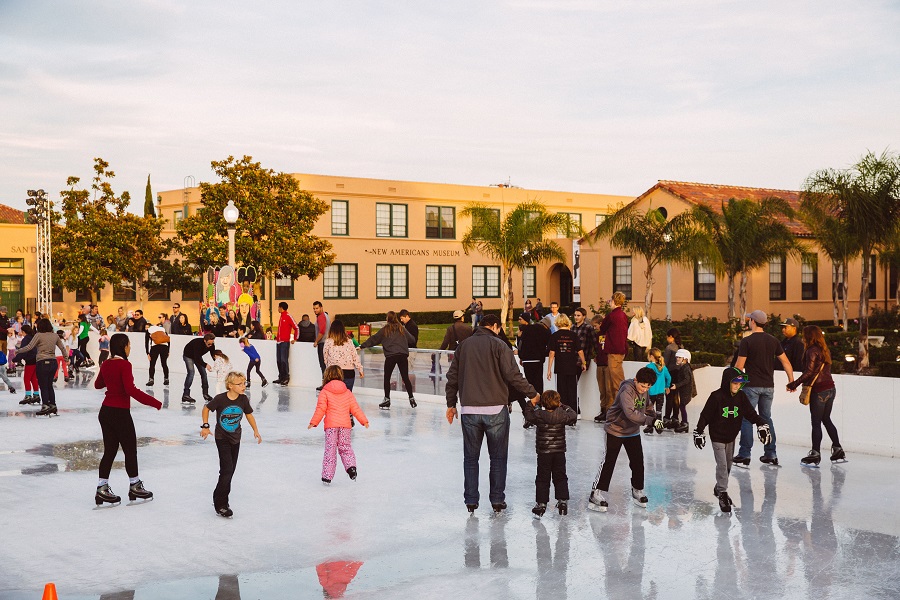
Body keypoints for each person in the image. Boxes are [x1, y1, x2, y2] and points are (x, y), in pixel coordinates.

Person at [446, 314, 539, 514]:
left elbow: (452, 377)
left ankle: (471, 500)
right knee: (497, 458)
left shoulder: (464, 346)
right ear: (495, 326)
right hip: (496, 410)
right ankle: (497, 500)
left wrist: (451, 404)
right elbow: (513, 375)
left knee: (471, 458)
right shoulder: (499, 345)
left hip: (469, 410)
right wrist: (533, 394)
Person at [93, 333, 162, 507]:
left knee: (110, 451)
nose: (130, 348)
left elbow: (98, 384)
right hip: (120, 413)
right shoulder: (125, 364)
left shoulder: (106, 363)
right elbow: (131, 390)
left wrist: (111, 378)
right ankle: (135, 486)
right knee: (130, 450)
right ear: (123, 347)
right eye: (129, 345)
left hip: (105, 412)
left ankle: (102, 488)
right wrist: (155, 402)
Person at [693, 367, 771, 513]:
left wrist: (761, 423)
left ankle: (718, 488)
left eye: (739, 384)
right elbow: (705, 415)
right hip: (717, 437)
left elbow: (750, 413)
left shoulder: (741, 397)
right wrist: (699, 430)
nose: (737, 386)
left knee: (728, 466)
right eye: (734, 383)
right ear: (727, 382)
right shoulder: (716, 396)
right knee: (722, 465)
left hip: (731, 437)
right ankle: (722, 493)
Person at [587, 367, 662, 513]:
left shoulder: (644, 391)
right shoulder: (626, 390)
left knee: (638, 461)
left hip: (632, 431)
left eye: (648, 387)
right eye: (642, 386)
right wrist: (650, 421)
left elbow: (648, 406)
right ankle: (595, 493)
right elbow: (630, 413)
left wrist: (655, 419)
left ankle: (637, 490)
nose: (644, 389)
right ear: (636, 380)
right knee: (609, 461)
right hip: (615, 429)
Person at [733, 310, 795, 467]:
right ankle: (771, 454)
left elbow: (739, 367)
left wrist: (734, 384)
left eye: (750, 319)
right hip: (768, 387)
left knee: (747, 419)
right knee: (766, 418)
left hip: (751, 386)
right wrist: (791, 381)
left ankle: (744, 454)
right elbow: (786, 362)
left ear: (753, 322)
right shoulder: (773, 341)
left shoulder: (747, 341)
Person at [201, 371, 262, 518]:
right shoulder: (220, 399)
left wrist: (256, 430)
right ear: (230, 386)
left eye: (244, 383)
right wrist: (205, 426)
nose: (243, 386)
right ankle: (220, 504)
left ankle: (221, 497)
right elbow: (206, 409)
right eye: (239, 384)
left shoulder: (243, 399)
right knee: (227, 470)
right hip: (222, 438)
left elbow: (248, 414)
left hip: (236, 438)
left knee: (230, 470)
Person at [786, 325, 846, 466]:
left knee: (816, 422)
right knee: (826, 419)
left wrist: (793, 384)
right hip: (830, 388)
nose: (802, 337)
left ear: (809, 336)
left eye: (804, 335)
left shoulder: (811, 351)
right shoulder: (824, 350)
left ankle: (815, 453)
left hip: (819, 390)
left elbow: (809, 372)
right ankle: (837, 449)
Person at [308, 366, 370, 484]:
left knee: (330, 450)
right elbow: (355, 408)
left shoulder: (325, 391)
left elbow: (321, 409)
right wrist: (364, 421)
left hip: (331, 426)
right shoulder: (347, 392)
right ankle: (351, 467)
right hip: (345, 426)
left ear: (327, 375)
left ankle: (327, 476)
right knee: (345, 447)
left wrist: (314, 422)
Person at [523, 389, 576, 517]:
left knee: (542, 478)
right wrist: (563, 406)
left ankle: (541, 504)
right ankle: (562, 501)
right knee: (560, 476)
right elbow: (573, 415)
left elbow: (528, 415)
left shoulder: (539, 415)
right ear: (558, 403)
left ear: (543, 403)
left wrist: (531, 403)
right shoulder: (562, 415)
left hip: (544, 453)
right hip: (559, 452)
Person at [360, 311, 417, 409]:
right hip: (402, 355)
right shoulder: (401, 328)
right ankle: (411, 398)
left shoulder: (385, 330)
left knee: (387, 378)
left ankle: (387, 399)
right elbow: (412, 339)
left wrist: (362, 346)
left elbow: (374, 339)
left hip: (391, 356)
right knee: (405, 377)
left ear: (387, 319)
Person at [15, 318, 67, 416]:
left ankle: (45, 405)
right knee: (49, 385)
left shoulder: (38, 335)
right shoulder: (55, 335)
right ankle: (53, 405)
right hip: (53, 362)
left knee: (43, 386)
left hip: (42, 362)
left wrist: (18, 351)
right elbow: (62, 348)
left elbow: (29, 347)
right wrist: (66, 358)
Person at [595, 292, 628, 423]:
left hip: (614, 351)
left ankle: (620, 411)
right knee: (617, 381)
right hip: (620, 351)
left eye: (611, 300)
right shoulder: (623, 315)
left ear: (614, 301)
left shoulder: (612, 315)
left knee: (616, 383)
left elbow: (602, 328)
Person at [546, 313, 585, 414]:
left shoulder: (555, 336)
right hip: (572, 367)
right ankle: (573, 414)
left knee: (561, 392)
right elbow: (580, 351)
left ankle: (563, 413)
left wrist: (549, 369)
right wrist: (584, 363)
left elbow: (551, 353)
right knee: (572, 391)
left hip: (560, 367)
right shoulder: (573, 335)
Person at [517, 312, 550, 399]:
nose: (519, 321)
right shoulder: (541, 330)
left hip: (527, 360)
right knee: (538, 381)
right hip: (538, 359)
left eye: (520, 319)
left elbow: (520, 345)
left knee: (530, 383)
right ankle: (539, 400)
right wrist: (544, 353)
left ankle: (533, 400)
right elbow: (549, 343)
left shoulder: (524, 330)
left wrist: (521, 356)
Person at [323, 320, 364, 391]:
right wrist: (360, 369)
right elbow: (355, 356)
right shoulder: (349, 341)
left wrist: (328, 367)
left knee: (334, 395)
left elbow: (325, 357)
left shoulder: (328, 341)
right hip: (349, 372)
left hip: (334, 372)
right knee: (347, 395)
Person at [182, 332, 216, 404]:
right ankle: (185, 395)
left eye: (212, 343)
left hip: (197, 356)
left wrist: (218, 362)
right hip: (188, 356)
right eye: (209, 344)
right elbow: (197, 358)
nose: (210, 345)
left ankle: (205, 394)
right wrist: (205, 365)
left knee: (204, 374)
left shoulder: (211, 345)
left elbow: (213, 355)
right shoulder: (198, 344)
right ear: (204, 341)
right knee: (191, 373)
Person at [667, 349, 695, 434]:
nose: (677, 359)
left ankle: (685, 423)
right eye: (677, 357)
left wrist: (676, 385)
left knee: (682, 406)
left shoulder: (685, 368)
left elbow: (687, 379)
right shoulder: (685, 366)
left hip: (685, 392)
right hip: (684, 391)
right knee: (682, 406)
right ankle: (684, 423)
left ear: (685, 359)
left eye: (679, 357)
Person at [643, 348, 670, 435]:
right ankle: (659, 427)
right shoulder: (663, 367)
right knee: (659, 411)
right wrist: (667, 386)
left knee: (649, 410)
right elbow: (669, 377)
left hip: (651, 392)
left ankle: (650, 426)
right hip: (661, 393)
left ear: (651, 356)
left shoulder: (649, 367)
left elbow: (645, 377)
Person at [591, 315, 610, 421]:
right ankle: (603, 410)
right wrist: (596, 356)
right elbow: (597, 348)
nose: (595, 328)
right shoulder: (598, 335)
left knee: (608, 389)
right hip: (600, 364)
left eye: (596, 326)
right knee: (602, 389)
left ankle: (609, 410)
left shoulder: (609, 334)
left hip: (608, 364)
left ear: (601, 324)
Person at [275, 302, 299, 385]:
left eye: (278, 307)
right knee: (278, 360)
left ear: (281, 308)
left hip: (285, 342)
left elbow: (296, 327)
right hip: (279, 342)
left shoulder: (288, 316)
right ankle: (281, 377)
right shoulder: (282, 316)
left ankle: (286, 377)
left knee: (283, 360)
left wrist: (295, 338)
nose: (278, 309)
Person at [16, 324, 39, 405]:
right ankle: (36, 394)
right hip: (36, 360)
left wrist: (15, 359)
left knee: (26, 378)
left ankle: (28, 395)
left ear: (24, 331)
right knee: (33, 378)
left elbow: (23, 351)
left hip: (30, 361)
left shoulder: (26, 339)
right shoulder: (34, 337)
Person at [145, 314, 170, 387]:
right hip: (164, 347)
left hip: (155, 347)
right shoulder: (162, 329)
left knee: (152, 364)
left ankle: (151, 379)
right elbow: (168, 339)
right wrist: (168, 350)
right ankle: (166, 379)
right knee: (164, 363)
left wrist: (147, 353)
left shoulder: (149, 330)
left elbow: (146, 342)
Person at [313, 301, 332, 375]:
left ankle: (325, 379)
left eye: (317, 308)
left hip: (322, 343)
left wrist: (316, 341)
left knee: (323, 364)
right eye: (314, 308)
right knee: (326, 363)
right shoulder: (326, 315)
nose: (315, 310)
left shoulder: (321, 317)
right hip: (327, 342)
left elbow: (322, 331)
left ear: (321, 307)